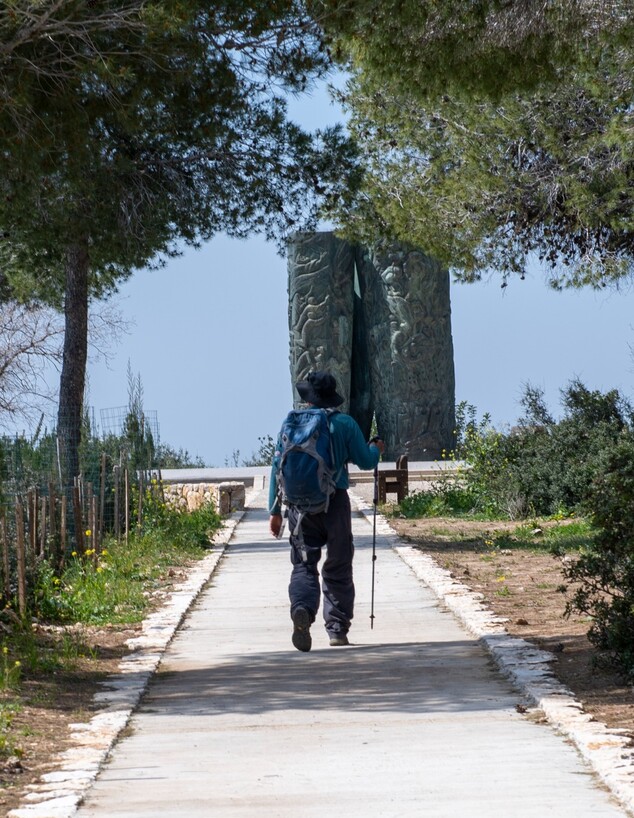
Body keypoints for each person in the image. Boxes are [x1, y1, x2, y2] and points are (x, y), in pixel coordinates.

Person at [269, 371, 385, 652]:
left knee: (304, 565)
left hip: (299, 509)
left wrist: (274, 511)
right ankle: (336, 629)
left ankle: (302, 609)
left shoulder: (291, 423)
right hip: (335, 503)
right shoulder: (344, 424)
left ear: (309, 397)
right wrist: (375, 448)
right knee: (338, 564)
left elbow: (276, 466)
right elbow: (366, 461)